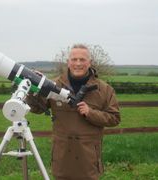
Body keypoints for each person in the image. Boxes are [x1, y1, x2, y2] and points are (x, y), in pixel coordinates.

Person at [26, 44, 120, 180]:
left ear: (90, 62)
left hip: (89, 160)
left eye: (82, 60)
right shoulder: (54, 85)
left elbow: (115, 118)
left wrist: (90, 113)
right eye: (74, 59)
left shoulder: (105, 90)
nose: (78, 63)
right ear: (68, 62)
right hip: (62, 158)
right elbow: (37, 108)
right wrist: (33, 91)